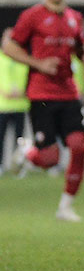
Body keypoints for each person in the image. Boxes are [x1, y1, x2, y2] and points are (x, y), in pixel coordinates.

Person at [2, 0, 84, 221]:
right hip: (41, 94)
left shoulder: (74, 18)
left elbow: (80, 51)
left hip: (69, 93)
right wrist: (38, 64)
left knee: (79, 146)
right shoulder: (32, 16)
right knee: (49, 158)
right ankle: (28, 153)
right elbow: (9, 48)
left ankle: (65, 207)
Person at [0, 29, 29, 177]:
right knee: (1, 137)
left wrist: (23, 92)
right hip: (2, 105)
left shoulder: (23, 58)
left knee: (20, 139)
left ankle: (18, 167)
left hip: (20, 105)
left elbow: (30, 79)